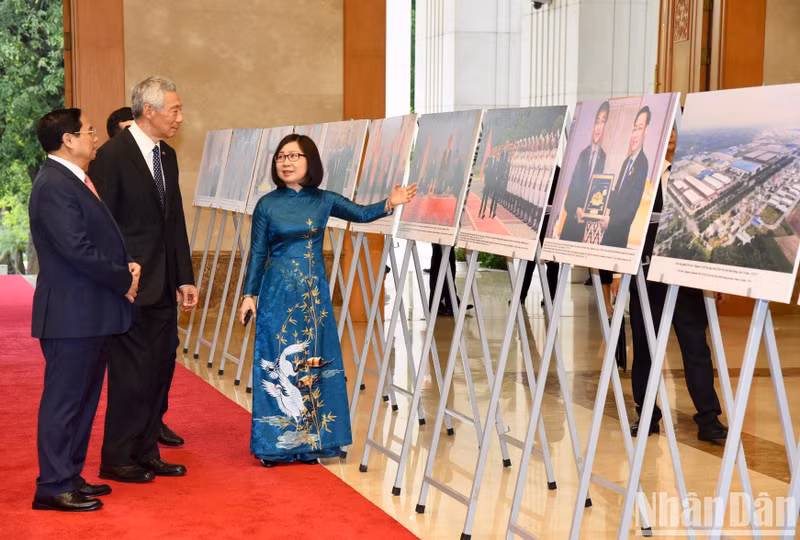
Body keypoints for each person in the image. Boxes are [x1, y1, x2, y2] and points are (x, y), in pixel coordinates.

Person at [238, 134, 417, 466]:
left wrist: (390, 203)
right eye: (281, 157)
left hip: (313, 297)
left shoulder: (323, 200)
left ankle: (315, 440)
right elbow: (258, 253)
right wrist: (249, 295)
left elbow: (361, 214)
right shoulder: (266, 205)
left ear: (310, 162)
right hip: (276, 295)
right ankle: (274, 445)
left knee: (314, 361)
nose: (286, 162)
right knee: (278, 366)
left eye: (294, 156)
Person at [29, 108, 139, 511]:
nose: (94, 136)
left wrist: (124, 266)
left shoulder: (74, 179)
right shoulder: (54, 184)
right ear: (68, 141)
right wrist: (123, 278)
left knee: (84, 399)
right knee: (65, 401)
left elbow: (93, 240)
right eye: (88, 131)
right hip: (71, 314)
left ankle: (70, 474)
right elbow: (76, 249)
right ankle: (53, 485)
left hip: (90, 311)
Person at [89, 76, 197, 482]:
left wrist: (184, 276)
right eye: (175, 110)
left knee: (159, 372)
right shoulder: (112, 156)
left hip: (164, 286)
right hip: (130, 287)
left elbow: (174, 223)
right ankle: (117, 458)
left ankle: (147, 450)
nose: (181, 118)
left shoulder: (165, 155)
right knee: (131, 376)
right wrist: (120, 276)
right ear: (148, 111)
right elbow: (102, 224)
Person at [628, 127, 727, 441]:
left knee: (696, 348)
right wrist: (618, 275)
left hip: (686, 278)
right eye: (664, 128)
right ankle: (647, 416)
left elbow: (706, 225)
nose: (669, 134)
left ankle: (709, 420)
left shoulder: (692, 173)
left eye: (675, 128)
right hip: (646, 277)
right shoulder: (639, 175)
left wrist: (715, 274)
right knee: (645, 348)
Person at [601, 106, 651, 248]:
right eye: (634, 128)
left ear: (646, 132)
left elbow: (631, 208)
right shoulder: (626, 161)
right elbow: (617, 194)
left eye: (640, 128)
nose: (634, 134)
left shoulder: (642, 164)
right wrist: (601, 194)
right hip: (610, 230)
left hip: (619, 234)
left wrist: (611, 222)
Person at [559, 101, 608, 243]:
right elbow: (570, 195)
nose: (598, 127)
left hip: (590, 229)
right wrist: (575, 211)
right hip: (572, 224)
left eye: (602, 122)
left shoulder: (603, 157)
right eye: (596, 122)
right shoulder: (582, 155)